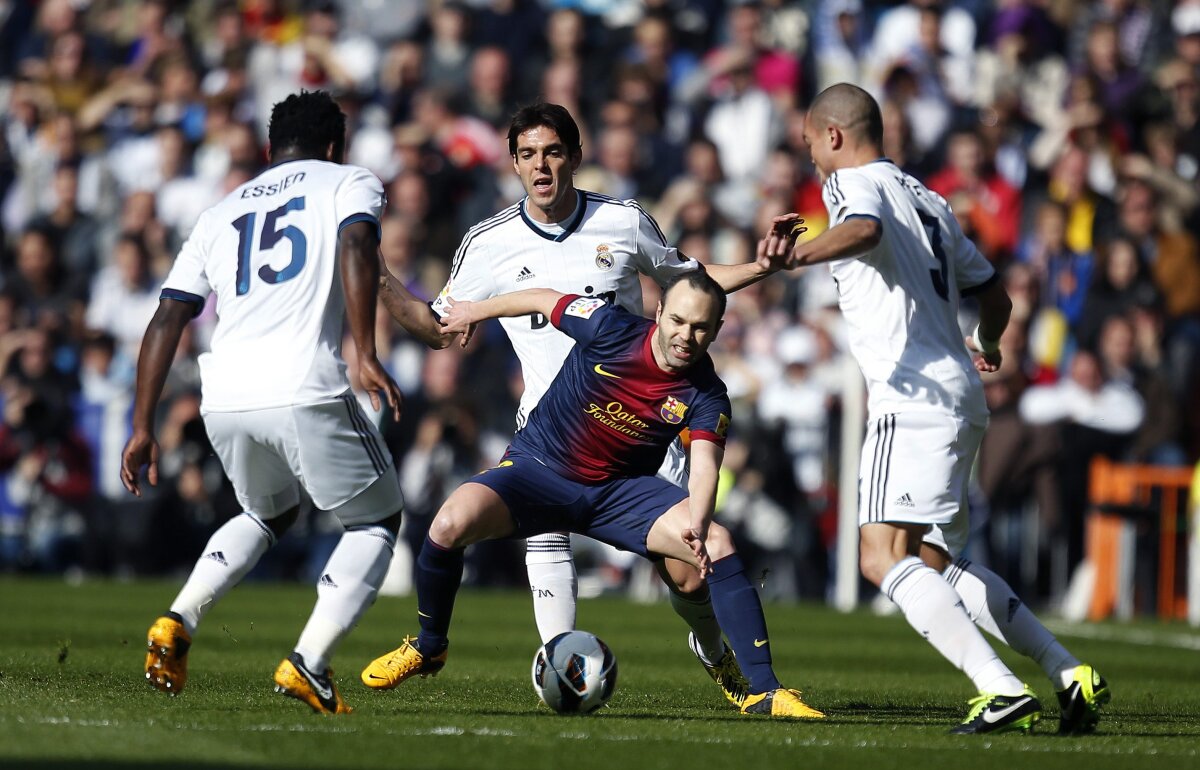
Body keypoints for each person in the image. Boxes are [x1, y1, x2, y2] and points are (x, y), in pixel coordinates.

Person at [377, 103, 786, 707]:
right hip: (550, 438)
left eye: (551, 151)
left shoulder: (622, 222)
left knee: (688, 571)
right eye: (527, 154)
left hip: (641, 431)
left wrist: (761, 266)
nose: (540, 165)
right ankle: (563, 674)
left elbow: (690, 285)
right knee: (539, 541)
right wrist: (378, 277)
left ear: (573, 155)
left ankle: (713, 649)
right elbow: (439, 324)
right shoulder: (487, 243)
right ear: (513, 164)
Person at [764, 83, 1110, 735]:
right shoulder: (931, 198)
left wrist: (797, 255)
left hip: (911, 394)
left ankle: (1000, 688)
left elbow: (861, 231)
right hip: (959, 392)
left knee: (878, 555)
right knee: (934, 562)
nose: (811, 159)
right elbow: (995, 295)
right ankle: (1067, 672)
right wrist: (988, 344)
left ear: (833, 135)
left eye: (810, 143)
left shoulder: (849, 184)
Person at [362, 272, 824, 719]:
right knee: (448, 525)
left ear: (717, 330)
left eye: (701, 327)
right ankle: (429, 645)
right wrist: (474, 312)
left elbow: (705, 468)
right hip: (539, 471)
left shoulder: (708, 395)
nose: (686, 335)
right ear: (659, 312)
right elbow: (543, 297)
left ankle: (764, 689)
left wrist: (698, 527)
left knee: (713, 550)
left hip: (620, 493)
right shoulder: (609, 326)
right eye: (678, 321)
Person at [121, 90, 432, 715]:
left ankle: (178, 618)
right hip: (303, 382)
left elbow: (167, 317)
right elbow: (355, 247)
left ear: (269, 150)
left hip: (225, 394)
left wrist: (141, 424)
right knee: (376, 522)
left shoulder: (219, 211)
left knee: (268, 514)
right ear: (334, 146)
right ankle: (309, 662)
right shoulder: (351, 181)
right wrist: (364, 350)